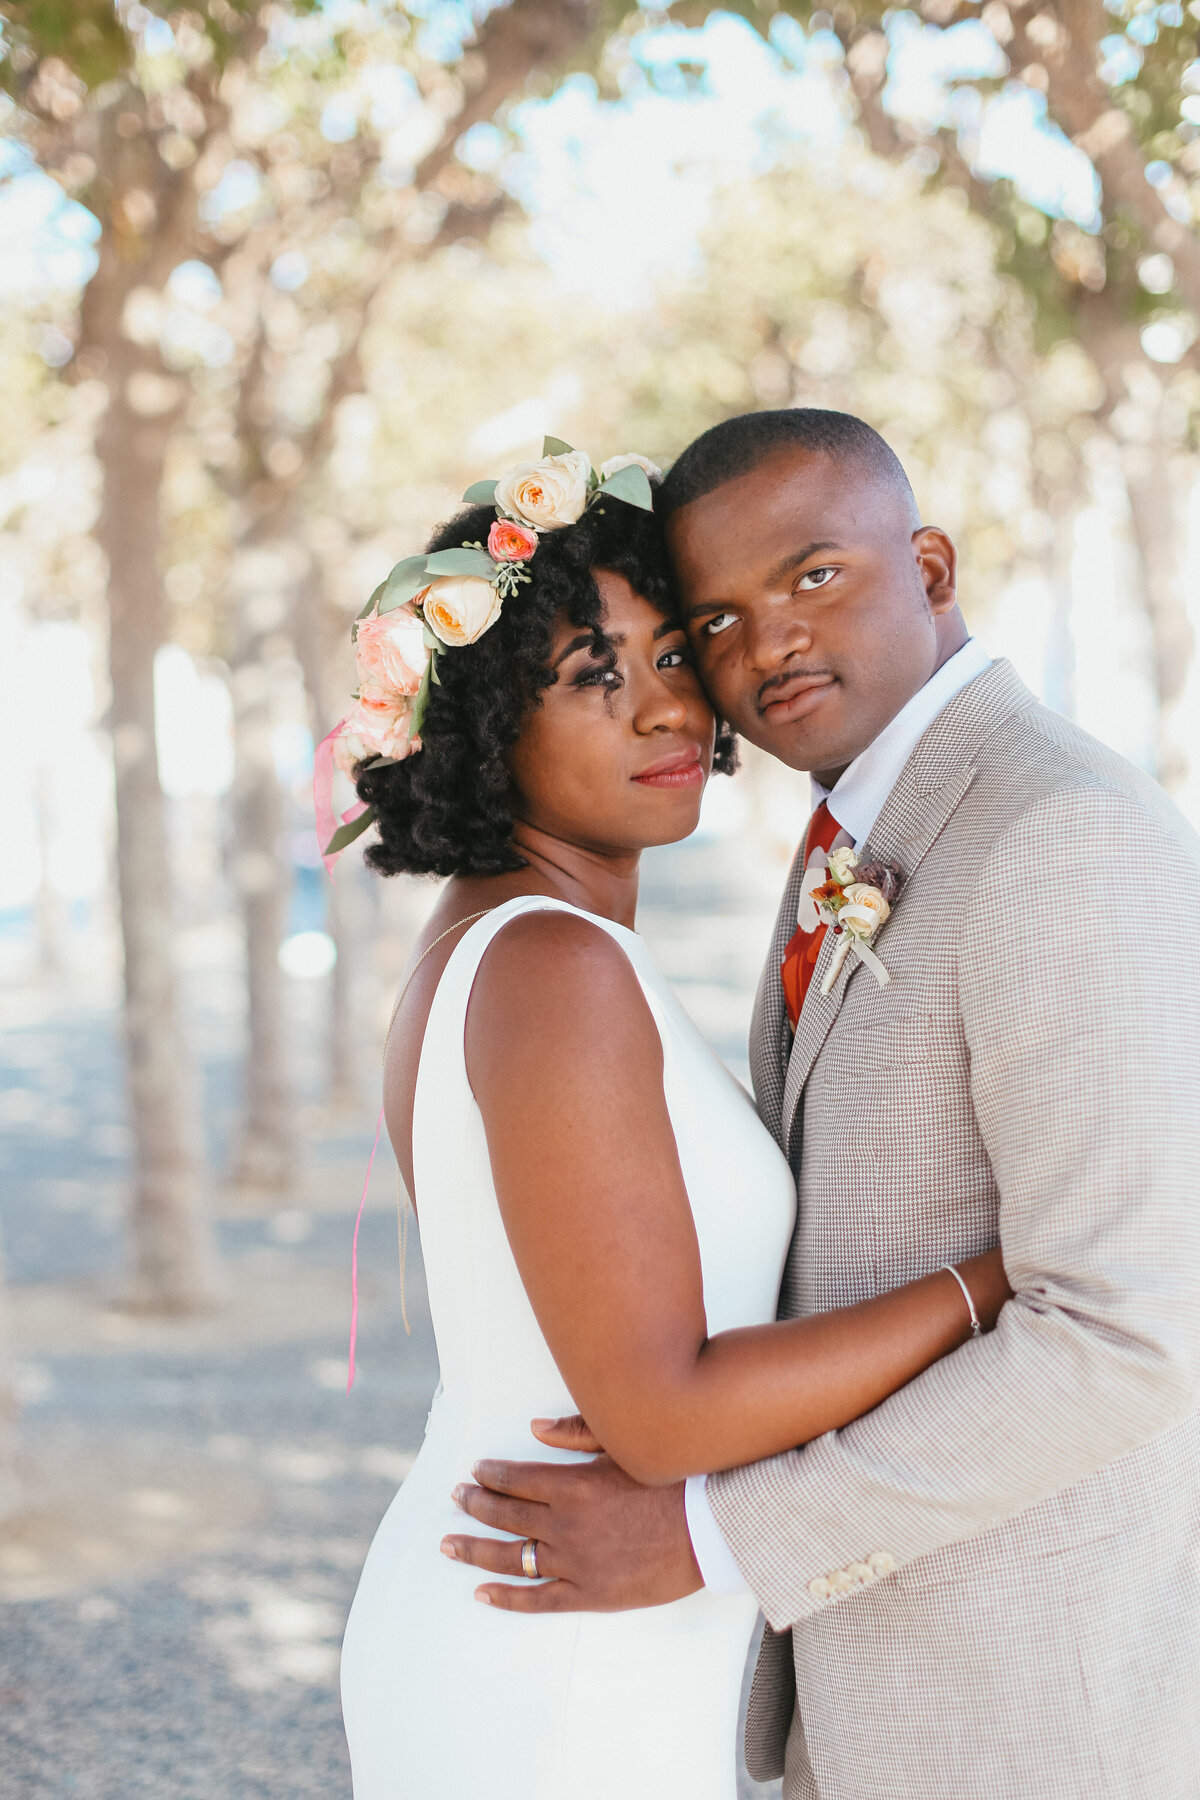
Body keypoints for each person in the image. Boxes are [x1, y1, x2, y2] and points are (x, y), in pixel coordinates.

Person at [446, 411, 1200, 1800]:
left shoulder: (1061, 832)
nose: (764, 648)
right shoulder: (862, 829)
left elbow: (1127, 1333)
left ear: (928, 562)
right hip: (862, 1699)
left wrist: (719, 1541)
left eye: (813, 578)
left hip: (1029, 1705)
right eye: (716, 618)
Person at [332, 441, 1011, 1800]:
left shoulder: (525, 943)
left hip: (567, 1612)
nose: (667, 713)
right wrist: (995, 1280)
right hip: (556, 1663)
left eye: (671, 658)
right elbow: (662, 1413)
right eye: (596, 675)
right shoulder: (554, 969)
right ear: (489, 725)